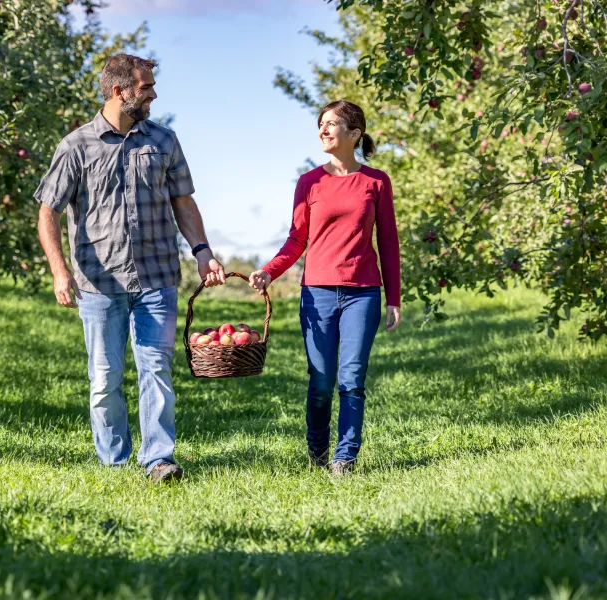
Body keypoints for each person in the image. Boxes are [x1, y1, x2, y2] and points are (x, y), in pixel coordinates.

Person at [35, 54, 226, 483]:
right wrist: (59, 271)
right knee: (104, 379)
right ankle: (114, 462)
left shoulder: (164, 141)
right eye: (146, 87)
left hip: (157, 275)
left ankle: (159, 459)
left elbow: (183, 202)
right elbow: (48, 212)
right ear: (120, 91)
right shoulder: (76, 146)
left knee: (155, 367)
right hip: (98, 283)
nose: (154, 94)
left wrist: (201, 250)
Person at [249, 100, 401, 476]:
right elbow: (296, 239)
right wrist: (269, 271)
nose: (323, 129)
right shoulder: (309, 182)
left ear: (354, 133)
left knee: (352, 379)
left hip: (363, 291)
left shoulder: (377, 181)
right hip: (316, 293)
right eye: (321, 123)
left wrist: (394, 297)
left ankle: (344, 457)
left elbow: (389, 242)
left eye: (331, 124)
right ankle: (317, 449)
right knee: (320, 382)